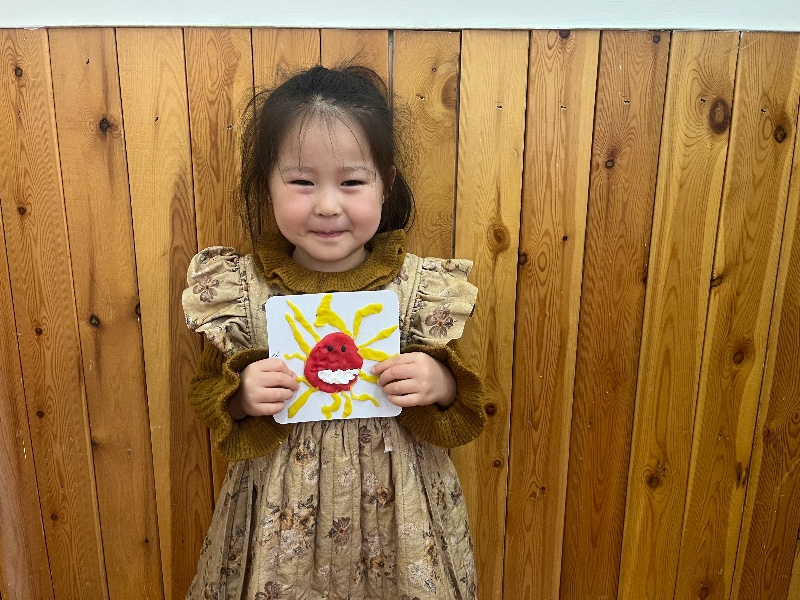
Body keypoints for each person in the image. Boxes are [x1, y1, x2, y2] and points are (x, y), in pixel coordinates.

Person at [182, 64, 485, 600]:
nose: (327, 205)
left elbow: (469, 404)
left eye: (352, 182)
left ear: (385, 184)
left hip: (401, 518)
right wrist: (240, 395)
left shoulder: (419, 290)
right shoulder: (241, 291)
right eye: (302, 182)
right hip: (280, 521)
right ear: (267, 184)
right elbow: (207, 391)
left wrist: (440, 383)